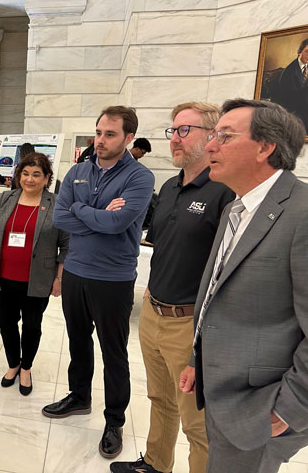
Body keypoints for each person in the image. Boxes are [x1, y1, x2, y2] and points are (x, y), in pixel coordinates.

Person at [179, 99, 308, 473]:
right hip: (221, 391)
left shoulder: (301, 214)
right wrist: (197, 358)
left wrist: (290, 406)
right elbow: (221, 293)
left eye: (224, 136)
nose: (210, 145)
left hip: (261, 406)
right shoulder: (237, 207)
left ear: (265, 147)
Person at [110, 102, 234, 473]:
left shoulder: (225, 191)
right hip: (153, 312)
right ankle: (156, 463)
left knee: (197, 424)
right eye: (172, 130)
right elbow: (160, 245)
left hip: (189, 322)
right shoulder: (169, 186)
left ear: (212, 136)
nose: (174, 139)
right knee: (159, 398)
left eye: (185, 130)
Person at [42, 106, 155, 460]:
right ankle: (79, 396)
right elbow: (60, 217)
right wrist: (95, 214)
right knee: (77, 340)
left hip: (113, 277)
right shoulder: (77, 170)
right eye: (99, 132)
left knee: (113, 350)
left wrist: (83, 211)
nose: (100, 140)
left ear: (128, 138)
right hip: (75, 271)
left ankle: (115, 418)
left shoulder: (140, 178)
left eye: (110, 134)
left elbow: (118, 224)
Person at [0, 153, 69, 396]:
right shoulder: (7, 198)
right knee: (6, 323)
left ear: (47, 178)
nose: (29, 179)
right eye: (25, 173)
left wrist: (59, 278)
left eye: (36, 174)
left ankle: (26, 368)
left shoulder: (56, 204)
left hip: (37, 279)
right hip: (4, 276)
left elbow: (66, 244)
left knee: (32, 326)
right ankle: (13, 364)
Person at [272, 38, 308, 131]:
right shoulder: (289, 71)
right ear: (300, 52)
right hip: (295, 112)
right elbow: (292, 98)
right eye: (307, 51)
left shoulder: (306, 67)